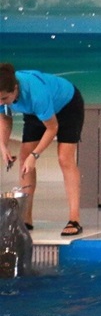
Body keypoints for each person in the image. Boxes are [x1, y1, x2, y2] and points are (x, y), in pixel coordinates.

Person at [0, 63, 85, 236]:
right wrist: (3, 145)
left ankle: (74, 219)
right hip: (36, 112)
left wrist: (35, 155)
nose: (0, 102)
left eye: (4, 98)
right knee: (24, 159)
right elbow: (5, 117)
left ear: (15, 89)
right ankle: (26, 219)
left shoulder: (36, 94)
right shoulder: (3, 93)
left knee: (64, 158)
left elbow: (52, 128)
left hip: (67, 106)